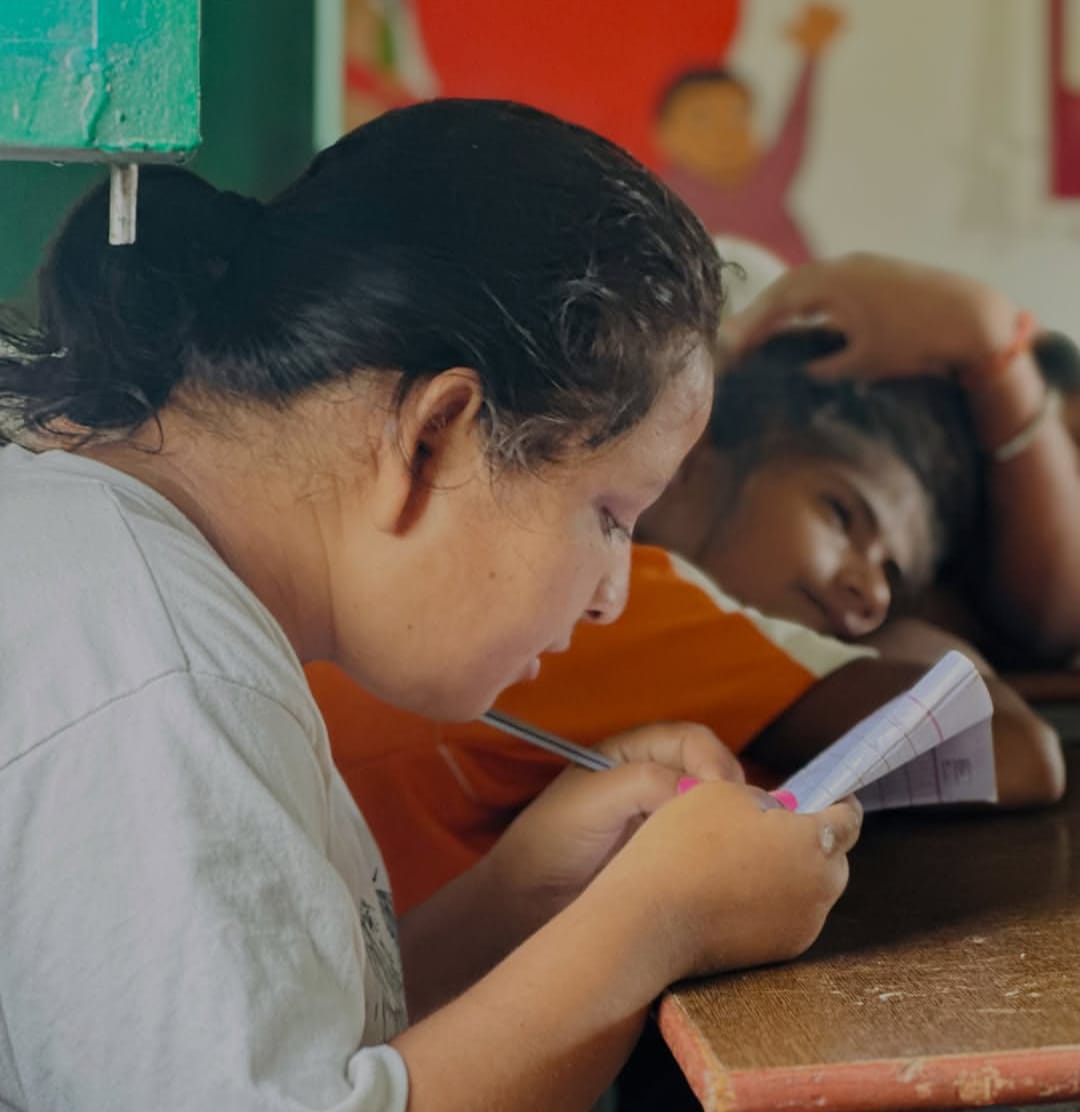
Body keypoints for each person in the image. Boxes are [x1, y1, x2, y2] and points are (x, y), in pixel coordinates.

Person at [0, 99, 864, 1112]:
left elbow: (307, 1057)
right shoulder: (161, 672)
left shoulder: (162, 596)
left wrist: (520, 895)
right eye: (611, 512)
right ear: (439, 436)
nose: (611, 596)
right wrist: (658, 919)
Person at [310, 332, 1063, 919]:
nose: (866, 589)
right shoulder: (648, 604)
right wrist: (890, 643)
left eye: (890, 586)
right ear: (696, 460)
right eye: (838, 513)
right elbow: (1014, 751)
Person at [723, 252, 1080, 664]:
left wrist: (993, 347)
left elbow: (1055, 615)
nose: (1058, 492)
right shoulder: (765, 325)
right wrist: (995, 352)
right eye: (1070, 448)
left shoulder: (902, 598)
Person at [655, 2, 844, 262]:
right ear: (666, 134)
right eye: (702, 119)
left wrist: (811, 57)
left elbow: (795, 127)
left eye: (737, 116)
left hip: (795, 293)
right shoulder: (669, 199)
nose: (724, 134)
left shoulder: (766, 179)